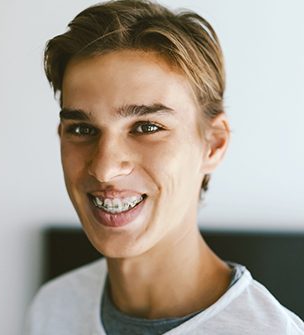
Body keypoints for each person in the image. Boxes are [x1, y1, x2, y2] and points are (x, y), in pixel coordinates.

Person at [25, 1, 304, 334]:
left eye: (146, 127)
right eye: (83, 130)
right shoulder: (52, 308)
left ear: (213, 144)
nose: (104, 168)